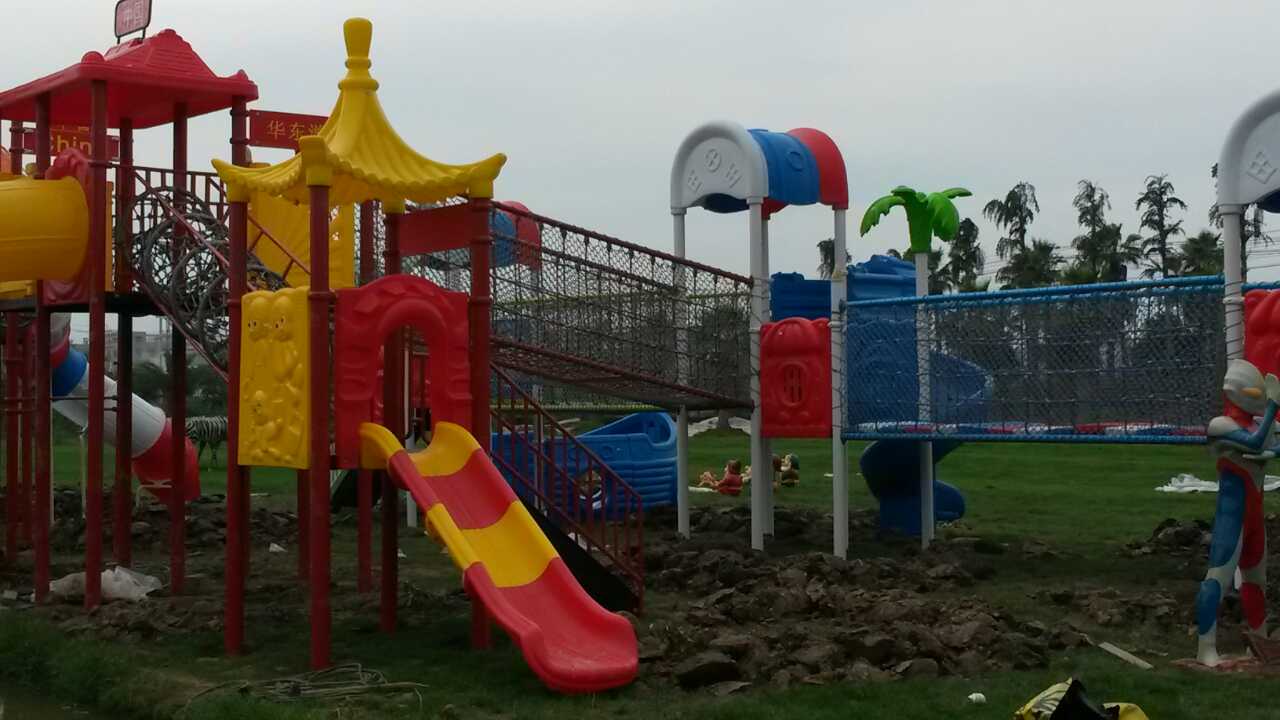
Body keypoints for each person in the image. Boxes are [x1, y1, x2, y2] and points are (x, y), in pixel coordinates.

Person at [1196, 359, 1279, 666]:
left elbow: (1267, 442)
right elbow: (1255, 444)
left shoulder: (1256, 425)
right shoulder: (1221, 425)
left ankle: (1259, 642)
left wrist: (1271, 439)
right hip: (1231, 519)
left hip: (1254, 518)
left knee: (1257, 581)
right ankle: (1206, 648)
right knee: (1218, 579)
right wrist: (1273, 406)